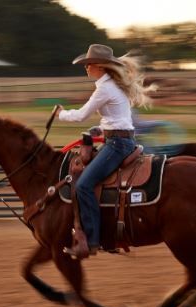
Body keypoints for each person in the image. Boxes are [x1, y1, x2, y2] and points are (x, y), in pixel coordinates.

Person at [55, 44, 155, 259]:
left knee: (83, 185)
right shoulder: (113, 86)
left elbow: (81, 115)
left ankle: (91, 240)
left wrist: (61, 114)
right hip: (120, 140)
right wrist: (102, 128)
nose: (86, 68)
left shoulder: (105, 89)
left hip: (117, 144)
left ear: (100, 67)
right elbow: (118, 118)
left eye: (89, 64)